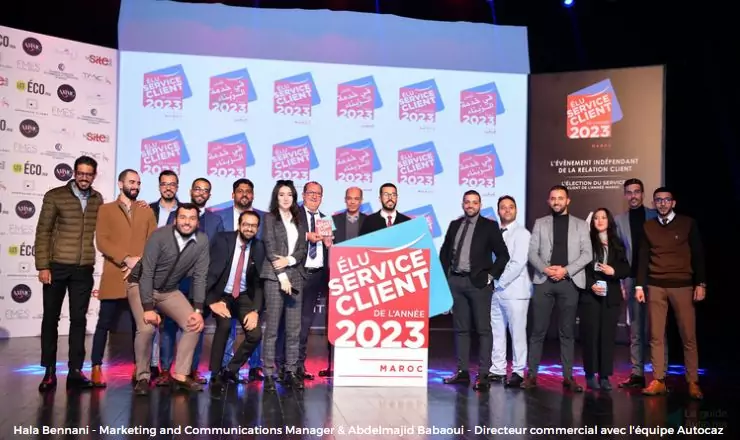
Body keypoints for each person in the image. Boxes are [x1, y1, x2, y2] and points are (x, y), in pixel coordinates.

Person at [35, 155, 103, 392]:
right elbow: (43, 231)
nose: (84, 177)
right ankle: (49, 371)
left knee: (79, 320)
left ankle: (75, 371)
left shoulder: (97, 199)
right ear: (74, 173)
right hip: (56, 266)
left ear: (94, 176)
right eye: (80, 173)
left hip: (83, 268)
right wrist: (43, 266)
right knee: (50, 319)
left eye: (89, 174)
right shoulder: (55, 196)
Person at [130, 203, 209, 395]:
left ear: (197, 222)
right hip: (140, 285)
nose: (187, 222)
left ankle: (181, 375)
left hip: (168, 291)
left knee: (194, 324)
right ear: (175, 220)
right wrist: (148, 308)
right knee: (146, 329)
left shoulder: (202, 241)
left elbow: (200, 277)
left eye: (192, 218)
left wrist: (198, 310)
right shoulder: (159, 236)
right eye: (183, 217)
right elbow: (147, 272)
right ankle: (142, 377)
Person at [636, 187, 705, 400]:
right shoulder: (648, 226)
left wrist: (701, 283)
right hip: (656, 285)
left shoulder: (688, 223)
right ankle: (658, 379)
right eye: (658, 200)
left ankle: (692, 381)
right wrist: (639, 286)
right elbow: (643, 257)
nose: (663, 203)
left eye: (667, 200)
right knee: (656, 335)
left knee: (688, 335)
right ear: (654, 203)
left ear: (673, 203)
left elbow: (698, 254)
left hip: (682, 285)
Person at [90, 169, 157, 387]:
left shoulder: (146, 211)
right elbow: (102, 241)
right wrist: (126, 259)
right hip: (114, 274)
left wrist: (139, 262)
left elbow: (154, 242)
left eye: (138, 183)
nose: (135, 186)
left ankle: (139, 366)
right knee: (104, 323)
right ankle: (96, 367)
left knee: (139, 325)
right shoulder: (106, 209)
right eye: (131, 182)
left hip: (139, 278)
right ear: (120, 184)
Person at [440, 190, 510, 391]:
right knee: (461, 329)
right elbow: (444, 254)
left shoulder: (489, 226)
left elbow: (503, 255)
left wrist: (490, 276)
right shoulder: (454, 225)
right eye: (467, 202)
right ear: (463, 204)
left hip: (479, 284)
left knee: (483, 330)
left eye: (474, 202)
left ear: (480, 205)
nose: (470, 205)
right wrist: (445, 281)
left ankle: (484, 374)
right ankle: (462, 373)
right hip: (456, 282)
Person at [157, 178, 224, 386]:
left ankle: (190, 370)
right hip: (175, 281)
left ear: (209, 195)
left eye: (205, 190)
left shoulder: (216, 220)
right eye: (197, 188)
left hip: (200, 283)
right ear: (190, 191)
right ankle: (165, 370)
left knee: (196, 325)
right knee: (169, 327)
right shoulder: (177, 216)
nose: (201, 192)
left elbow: (218, 254)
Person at [525, 185, 592, 392]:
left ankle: (568, 377)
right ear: (549, 201)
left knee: (567, 332)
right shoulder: (540, 223)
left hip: (569, 282)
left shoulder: (581, 225)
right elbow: (532, 253)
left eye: (560, 198)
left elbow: (587, 254)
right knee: (537, 331)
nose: (556, 202)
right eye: (553, 198)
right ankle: (532, 375)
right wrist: (546, 269)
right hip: (544, 281)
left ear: (567, 201)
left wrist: (565, 271)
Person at [614, 178, 666, 389]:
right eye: (629, 192)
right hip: (631, 278)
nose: (633, 196)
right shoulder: (619, 220)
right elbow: (618, 254)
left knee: (658, 329)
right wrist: (621, 282)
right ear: (625, 195)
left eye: (636, 192)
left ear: (643, 194)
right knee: (635, 328)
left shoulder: (655, 216)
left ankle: (660, 375)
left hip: (655, 278)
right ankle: (637, 374)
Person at [213, 178, 266, 382]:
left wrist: (255, 310)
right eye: (246, 225)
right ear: (239, 225)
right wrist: (211, 301)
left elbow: (259, 282)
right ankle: (216, 372)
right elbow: (210, 273)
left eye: (254, 226)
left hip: (244, 295)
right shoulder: (223, 237)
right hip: (222, 294)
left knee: (255, 333)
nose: (249, 229)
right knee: (225, 327)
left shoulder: (259, 246)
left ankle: (231, 370)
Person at [260, 180, 308, 392]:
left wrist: (289, 260)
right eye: (281, 194)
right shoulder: (269, 218)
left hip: (295, 275)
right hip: (274, 277)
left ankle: (290, 371)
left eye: (289, 194)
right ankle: (269, 373)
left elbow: (302, 248)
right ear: (276, 197)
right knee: (272, 329)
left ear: (294, 197)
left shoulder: (299, 219)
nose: (286, 198)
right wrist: (282, 277)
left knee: (293, 330)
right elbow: (270, 248)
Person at [581, 208, 630, 390]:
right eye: (596, 218)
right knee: (590, 336)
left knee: (607, 337)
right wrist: (590, 284)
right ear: (592, 222)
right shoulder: (586, 241)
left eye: (603, 218)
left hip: (611, 295)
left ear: (609, 221)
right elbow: (580, 268)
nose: (600, 221)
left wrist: (613, 271)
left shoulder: (617, 243)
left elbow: (626, 269)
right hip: (591, 295)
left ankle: (604, 376)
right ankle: (589, 374)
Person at [489, 195, 531, 388]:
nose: (507, 210)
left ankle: (518, 371)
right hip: (496, 290)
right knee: (497, 331)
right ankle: (498, 369)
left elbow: (518, 262)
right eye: (503, 207)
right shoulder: (495, 233)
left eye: (510, 207)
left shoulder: (522, 233)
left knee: (517, 333)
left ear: (516, 210)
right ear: (498, 211)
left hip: (515, 291)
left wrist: (498, 281)